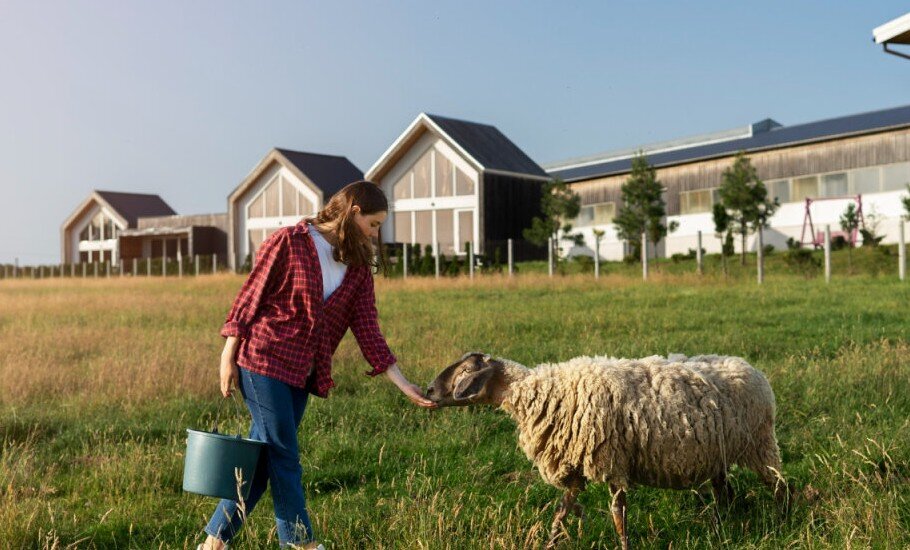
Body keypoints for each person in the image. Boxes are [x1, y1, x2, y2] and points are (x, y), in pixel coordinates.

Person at [198, 180, 434, 550]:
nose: (376, 232)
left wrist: (404, 384)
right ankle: (299, 543)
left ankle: (214, 542)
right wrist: (228, 353)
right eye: (373, 223)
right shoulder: (289, 241)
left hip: (302, 371)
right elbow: (251, 296)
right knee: (285, 457)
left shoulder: (355, 265)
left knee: (263, 460)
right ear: (353, 212)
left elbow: (367, 326)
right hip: (263, 360)